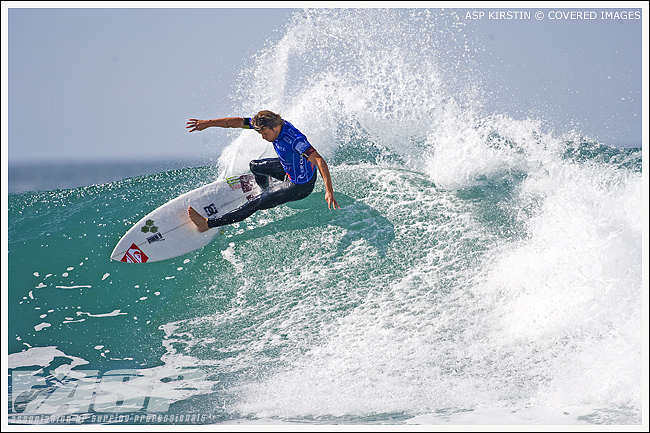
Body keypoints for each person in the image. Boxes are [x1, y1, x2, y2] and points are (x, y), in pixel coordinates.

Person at [186, 110, 340, 232]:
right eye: (260, 133)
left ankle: (207, 224)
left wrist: (329, 191)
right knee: (254, 166)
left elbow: (319, 161)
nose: (263, 137)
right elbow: (237, 122)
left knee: (255, 203)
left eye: (264, 134)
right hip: (289, 169)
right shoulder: (270, 124)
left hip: (300, 185)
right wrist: (208, 123)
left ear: (274, 127)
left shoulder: (295, 140)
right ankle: (265, 189)